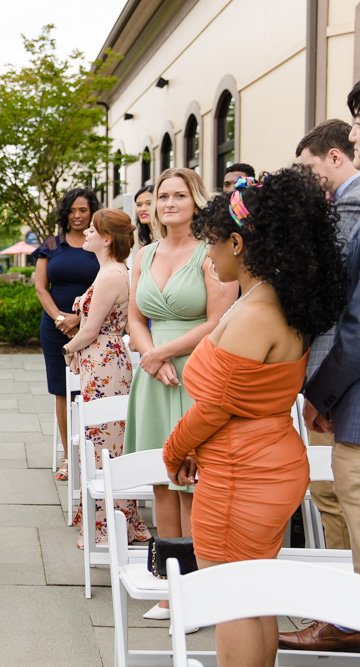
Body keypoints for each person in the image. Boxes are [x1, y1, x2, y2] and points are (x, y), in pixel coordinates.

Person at [164, 167, 348, 665]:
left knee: (232, 599)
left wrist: (174, 449)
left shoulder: (255, 313)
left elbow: (218, 406)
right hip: (268, 463)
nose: (209, 254)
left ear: (239, 244)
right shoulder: (281, 303)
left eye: (213, 243)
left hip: (242, 471)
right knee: (254, 595)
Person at [123, 167, 237, 621]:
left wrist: (163, 353)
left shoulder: (212, 253)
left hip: (197, 369)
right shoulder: (143, 255)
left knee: (192, 482)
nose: (168, 204)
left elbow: (219, 319)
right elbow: (134, 317)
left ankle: (198, 591)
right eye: (162, 197)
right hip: (153, 376)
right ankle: (169, 588)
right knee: (160, 481)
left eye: (178, 196)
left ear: (196, 200)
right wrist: (151, 355)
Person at [291, 80, 360, 653]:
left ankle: (346, 620)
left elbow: (352, 323)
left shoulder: (352, 210)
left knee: (348, 506)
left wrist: (320, 391)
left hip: (348, 395)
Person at [62, 209, 151, 548]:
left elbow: (90, 329)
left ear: (107, 238)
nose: (85, 233)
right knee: (102, 439)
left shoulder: (112, 275)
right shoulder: (110, 272)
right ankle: (110, 519)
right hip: (100, 361)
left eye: (92, 230)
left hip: (104, 363)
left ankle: (108, 526)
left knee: (103, 441)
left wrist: (67, 351)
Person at [33, 188, 101, 480]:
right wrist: (60, 317)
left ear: (92, 212)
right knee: (62, 391)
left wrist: (81, 319)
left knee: (91, 390)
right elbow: (40, 287)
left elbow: (109, 282)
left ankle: (95, 456)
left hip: (92, 326)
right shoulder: (51, 244)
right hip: (55, 327)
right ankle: (69, 458)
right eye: (72, 210)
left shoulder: (100, 243)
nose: (77, 216)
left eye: (83, 210)